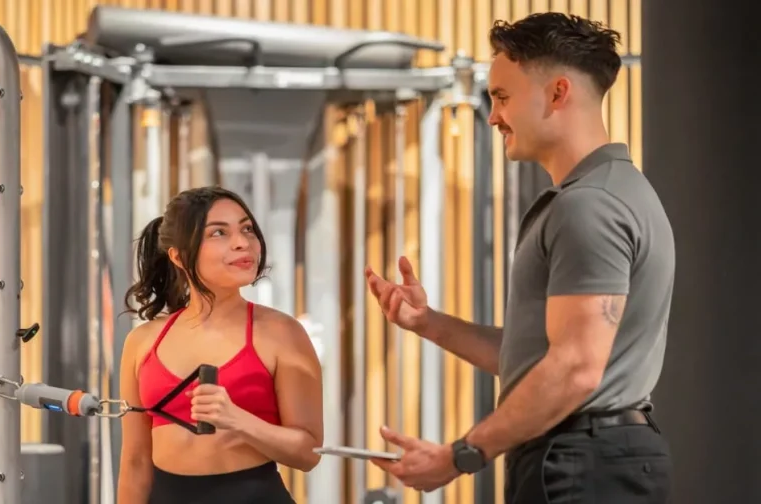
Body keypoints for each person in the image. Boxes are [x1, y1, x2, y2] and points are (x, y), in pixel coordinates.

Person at [365, 12, 675, 504]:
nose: (492, 116)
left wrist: (457, 456)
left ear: (557, 93)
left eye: (502, 97)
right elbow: (545, 359)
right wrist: (428, 323)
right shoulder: (609, 192)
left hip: (580, 463)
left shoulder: (588, 205)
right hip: (590, 457)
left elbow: (574, 368)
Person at [116, 186, 324, 504]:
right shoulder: (142, 342)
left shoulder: (283, 333)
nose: (242, 242)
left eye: (247, 228)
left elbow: (309, 453)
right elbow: (135, 463)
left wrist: (238, 420)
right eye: (218, 233)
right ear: (179, 256)